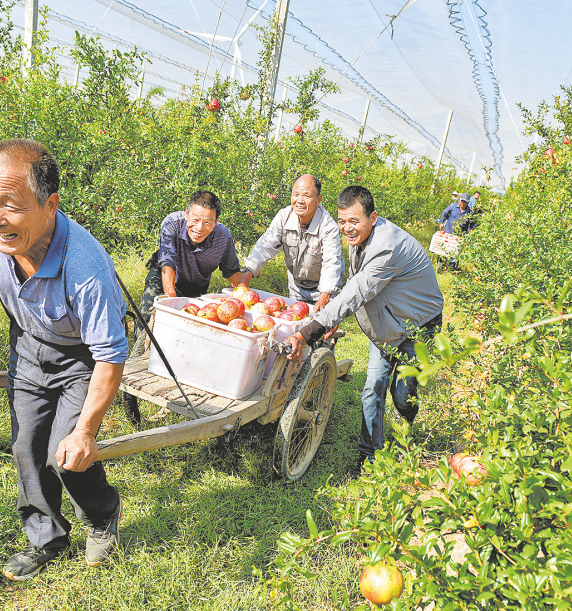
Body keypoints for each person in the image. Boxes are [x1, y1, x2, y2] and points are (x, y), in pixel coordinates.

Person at [0, 139, 127, 581]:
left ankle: (103, 513)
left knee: (64, 454)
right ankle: (45, 538)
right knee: (27, 447)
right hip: (29, 346)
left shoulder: (86, 269)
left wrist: (86, 431)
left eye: (10, 205)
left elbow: (109, 356)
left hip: (83, 358)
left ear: (50, 205)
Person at [283, 186, 444, 476]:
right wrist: (332, 322)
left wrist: (311, 330)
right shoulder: (358, 237)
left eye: (354, 221)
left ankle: (407, 428)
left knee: (402, 395)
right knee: (372, 389)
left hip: (416, 327)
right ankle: (370, 460)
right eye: (342, 221)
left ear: (373, 217)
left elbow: (357, 290)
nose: (347, 228)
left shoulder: (387, 245)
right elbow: (356, 286)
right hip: (384, 327)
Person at [134, 191, 244, 353]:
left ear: (216, 222)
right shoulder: (172, 223)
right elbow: (167, 261)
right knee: (148, 317)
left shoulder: (223, 238)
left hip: (196, 285)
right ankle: (141, 356)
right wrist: (170, 298)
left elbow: (233, 272)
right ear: (186, 214)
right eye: (195, 220)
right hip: (164, 277)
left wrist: (244, 299)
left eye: (208, 222)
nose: (199, 228)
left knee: (189, 330)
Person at [238, 174, 344, 312]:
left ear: (318, 200)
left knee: (321, 326)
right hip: (297, 286)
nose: (300, 200)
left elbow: (331, 261)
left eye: (306, 196)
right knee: (296, 323)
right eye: (296, 194)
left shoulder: (328, 226)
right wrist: (245, 275)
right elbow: (265, 246)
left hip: (323, 288)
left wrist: (325, 297)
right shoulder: (284, 216)